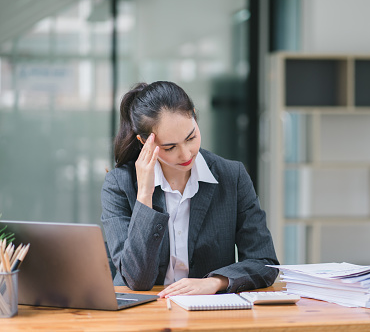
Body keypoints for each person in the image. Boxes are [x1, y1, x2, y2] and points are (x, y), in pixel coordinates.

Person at [101, 81, 279, 298]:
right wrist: (144, 196)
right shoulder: (119, 184)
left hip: (207, 311)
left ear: (194, 116)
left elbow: (264, 262)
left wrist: (215, 282)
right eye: (170, 147)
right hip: (142, 313)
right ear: (144, 142)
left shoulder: (232, 176)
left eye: (191, 138)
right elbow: (137, 280)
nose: (186, 155)